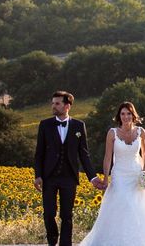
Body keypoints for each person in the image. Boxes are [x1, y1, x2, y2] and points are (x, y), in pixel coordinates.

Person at [79, 101, 145, 246]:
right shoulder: (112, 133)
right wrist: (105, 178)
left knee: (142, 207)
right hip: (119, 175)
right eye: (122, 114)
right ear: (119, 116)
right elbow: (108, 157)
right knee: (125, 204)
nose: (125, 117)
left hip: (136, 174)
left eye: (128, 113)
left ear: (133, 115)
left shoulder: (141, 132)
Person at [34, 91, 106, 246]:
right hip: (49, 177)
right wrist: (38, 175)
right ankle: (52, 241)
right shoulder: (45, 125)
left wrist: (93, 178)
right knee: (49, 214)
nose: (53, 106)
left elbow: (84, 154)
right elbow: (39, 153)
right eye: (53, 103)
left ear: (67, 106)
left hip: (69, 177)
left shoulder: (79, 126)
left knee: (67, 215)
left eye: (57, 103)